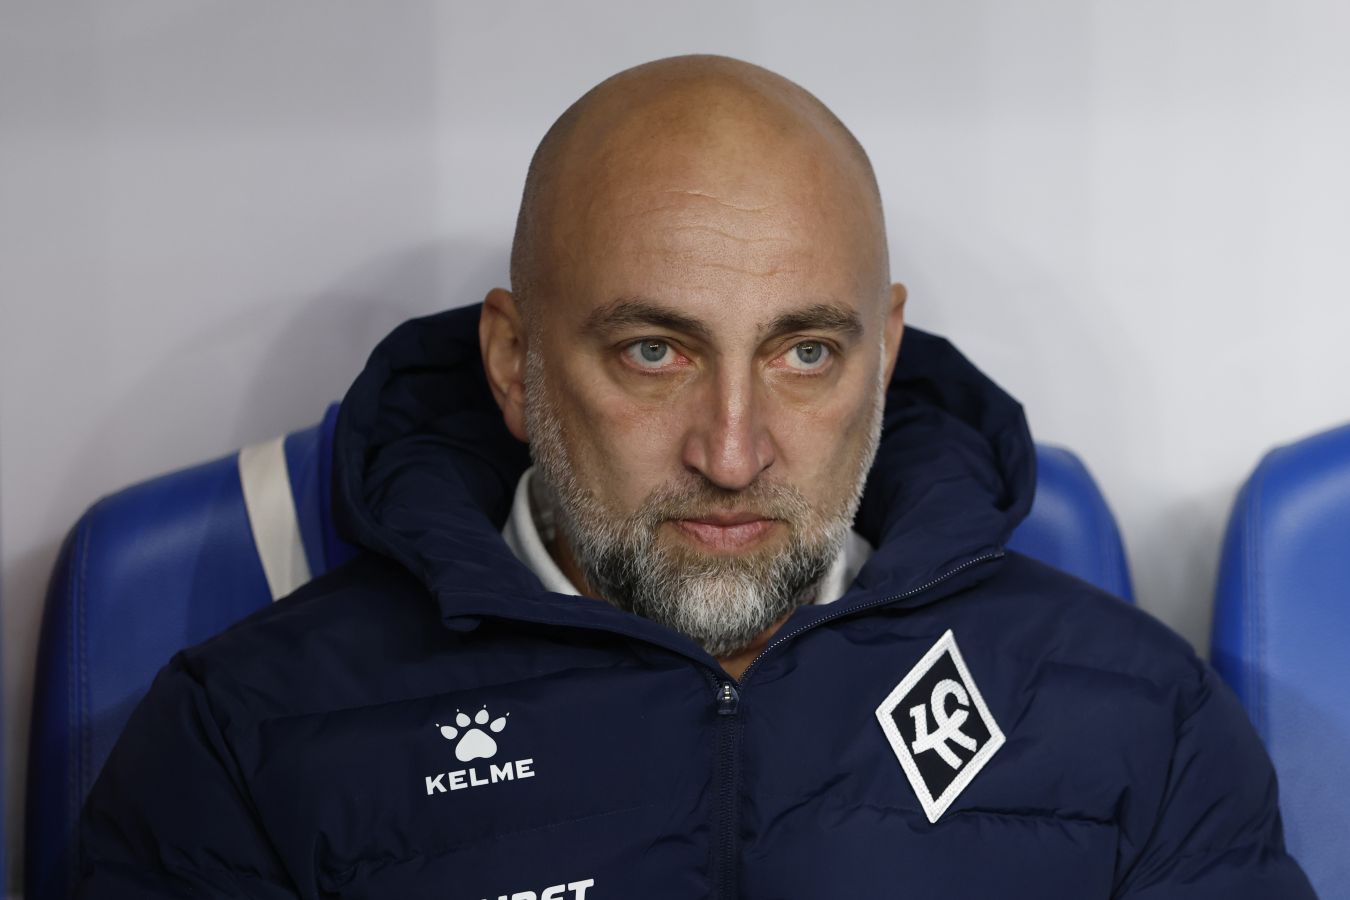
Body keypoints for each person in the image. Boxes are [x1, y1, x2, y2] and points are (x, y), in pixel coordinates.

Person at [77, 55, 1313, 899]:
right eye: (654, 353)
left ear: (885, 355)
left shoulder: (1139, 715)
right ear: (512, 363)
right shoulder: (248, 739)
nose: (731, 454)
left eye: (806, 353)